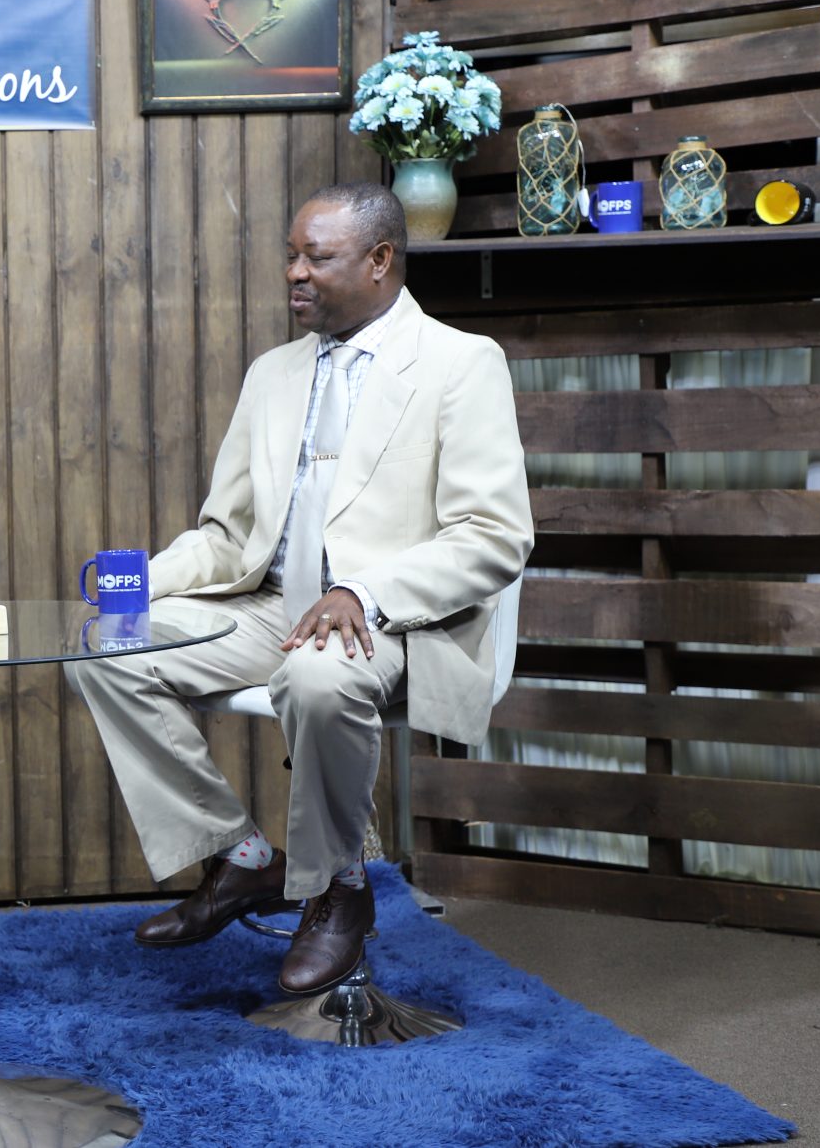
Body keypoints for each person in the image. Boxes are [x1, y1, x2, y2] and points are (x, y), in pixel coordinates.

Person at [65, 182, 531, 994]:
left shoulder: (461, 364)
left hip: (397, 619)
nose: (295, 273)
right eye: (291, 255)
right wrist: (136, 585)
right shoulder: (272, 374)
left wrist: (365, 591)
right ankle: (242, 856)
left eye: (316, 257)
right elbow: (227, 535)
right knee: (108, 644)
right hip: (270, 606)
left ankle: (339, 887)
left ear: (380, 259)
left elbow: (493, 535)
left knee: (318, 674)